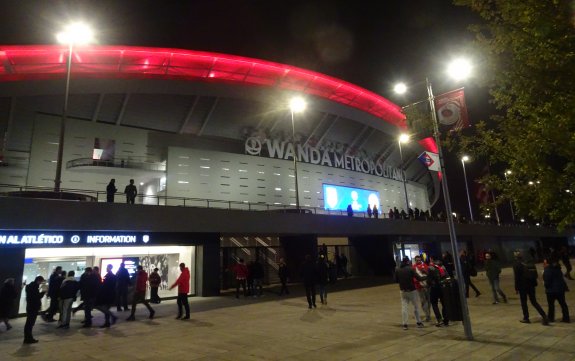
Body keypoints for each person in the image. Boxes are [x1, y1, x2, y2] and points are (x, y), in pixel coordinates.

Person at [513, 251, 549, 325]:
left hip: (522, 286)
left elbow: (517, 277)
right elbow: (535, 275)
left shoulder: (516, 264)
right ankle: (544, 315)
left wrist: (516, 288)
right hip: (531, 285)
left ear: (516, 257)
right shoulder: (530, 264)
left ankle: (526, 318)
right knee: (534, 301)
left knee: (524, 302)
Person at [395, 256, 424, 330]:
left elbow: (395, 280)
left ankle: (405, 324)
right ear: (408, 261)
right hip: (412, 290)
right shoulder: (411, 269)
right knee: (415, 306)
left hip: (403, 291)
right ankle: (418, 322)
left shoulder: (398, 270)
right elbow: (419, 278)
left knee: (404, 307)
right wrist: (426, 276)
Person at [543, 257, 570, 323]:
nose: (543, 264)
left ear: (548, 263)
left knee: (551, 305)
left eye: (544, 263)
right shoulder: (558, 269)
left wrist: (546, 286)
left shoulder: (547, 270)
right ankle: (566, 318)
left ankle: (551, 318)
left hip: (551, 290)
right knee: (563, 304)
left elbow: (547, 281)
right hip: (560, 290)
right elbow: (561, 279)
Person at [24, 276, 45, 344]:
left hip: (30, 307)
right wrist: (43, 293)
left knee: (29, 323)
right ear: (38, 280)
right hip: (33, 307)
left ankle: (27, 338)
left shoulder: (30, 286)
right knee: (30, 323)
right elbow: (36, 297)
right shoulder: (34, 287)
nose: (41, 283)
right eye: (41, 281)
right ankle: (28, 339)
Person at [428, 257, 449, 327]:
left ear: (432, 260)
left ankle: (439, 319)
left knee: (434, 303)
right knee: (444, 303)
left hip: (435, 289)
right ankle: (446, 320)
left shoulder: (431, 268)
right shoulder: (442, 267)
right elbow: (447, 277)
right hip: (443, 287)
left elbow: (429, 280)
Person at [413, 255, 431, 322]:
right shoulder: (414, 267)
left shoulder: (425, 265)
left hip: (427, 286)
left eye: (419, 260)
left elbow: (429, 274)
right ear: (415, 260)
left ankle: (428, 315)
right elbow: (413, 278)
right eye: (417, 260)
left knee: (428, 301)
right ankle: (427, 315)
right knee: (423, 301)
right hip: (419, 287)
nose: (418, 261)